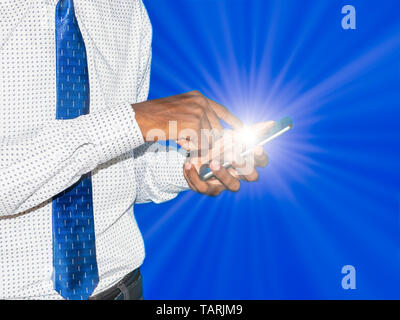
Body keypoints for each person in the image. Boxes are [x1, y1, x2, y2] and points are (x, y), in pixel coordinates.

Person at [0, 0, 271, 300]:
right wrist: (135, 120)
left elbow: (122, 166)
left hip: (125, 290)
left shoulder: (127, 8)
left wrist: (191, 167)